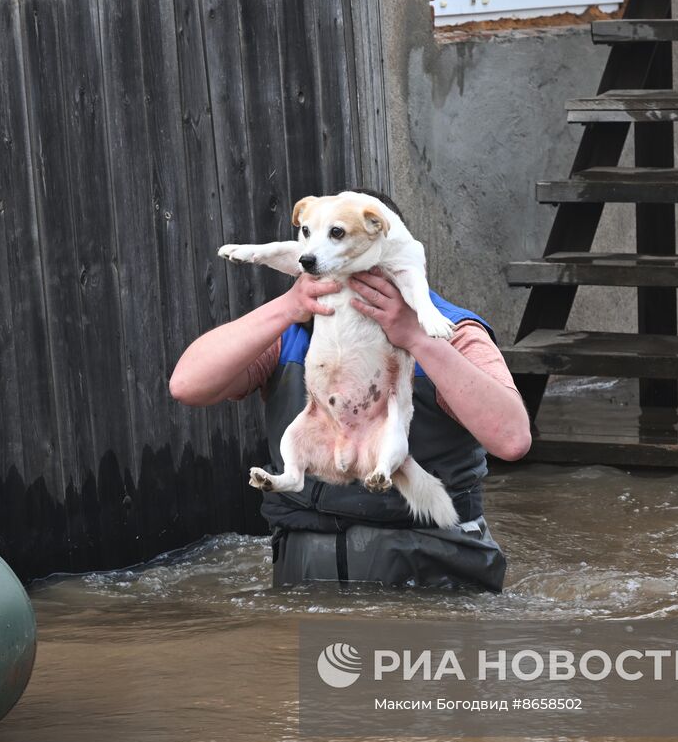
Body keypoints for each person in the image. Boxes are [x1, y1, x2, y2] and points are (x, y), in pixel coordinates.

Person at [169, 240, 530, 592]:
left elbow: (512, 440)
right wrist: (286, 306)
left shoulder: (451, 331)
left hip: (433, 570)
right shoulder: (293, 330)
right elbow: (187, 385)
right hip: (308, 573)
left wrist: (417, 338)